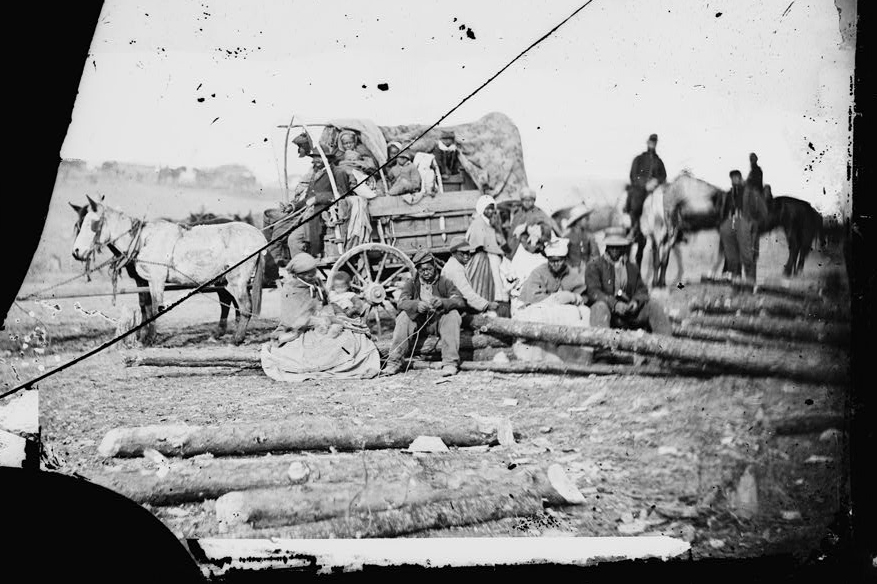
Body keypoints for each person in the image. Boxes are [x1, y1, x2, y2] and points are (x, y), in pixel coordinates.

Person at [260, 253, 381, 381]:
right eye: (308, 274)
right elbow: (294, 319)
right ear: (298, 274)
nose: (312, 276)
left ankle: (359, 360)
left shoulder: (316, 283)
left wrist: (331, 316)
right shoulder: (291, 289)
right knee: (319, 348)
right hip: (302, 330)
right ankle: (332, 364)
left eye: (314, 272)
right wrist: (318, 321)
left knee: (354, 336)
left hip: (324, 321)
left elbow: (326, 303)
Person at [382, 250, 466, 377]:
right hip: (419, 324)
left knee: (453, 315)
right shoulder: (411, 283)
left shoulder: (444, 282)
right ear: (417, 270)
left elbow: (460, 301)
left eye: (429, 269)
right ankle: (394, 362)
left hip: (438, 322)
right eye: (422, 270)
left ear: (434, 267)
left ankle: (450, 363)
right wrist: (416, 305)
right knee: (403, 317)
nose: (426, 273)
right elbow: (401, 302)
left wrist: (443, 302)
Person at [585, 227, 671, 334]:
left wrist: (635, 302)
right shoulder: (595, 266)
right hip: (609, 314)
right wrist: (614, 304)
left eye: (618, 247)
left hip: (628, 314)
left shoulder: (632, 267)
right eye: (612, 247)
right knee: (599, 307)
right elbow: (594, 292)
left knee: (653, 305)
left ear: (623, 247)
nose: (615, 250)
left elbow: (642, 291)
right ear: (607, 247)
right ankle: (602, 348)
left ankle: (664, 344)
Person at [303, 148, 355, 258]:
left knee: (315, 217)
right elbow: (308, 198)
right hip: (310, 213)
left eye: (318, 157)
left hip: (327, 211)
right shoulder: (315, 174)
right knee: (293, 238)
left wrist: (318, 198)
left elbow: (342, 195)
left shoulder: (338, 173)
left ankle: (315, 254)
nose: (313, 161)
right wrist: (292, 206)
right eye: (313, 158)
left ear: (327, 159)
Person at [718, 169, 768, 282]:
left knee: (747, 257)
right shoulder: (728, 195)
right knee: (732, 258)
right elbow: (723, 213)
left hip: (745, 226)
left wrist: (753, 223)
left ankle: (750, 285)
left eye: (736, 177)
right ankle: (736, 285)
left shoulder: (751, 193)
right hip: (731, 225)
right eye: (732, 178)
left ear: (741, 178)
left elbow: (763, 212)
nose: (734, 180)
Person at [627, 133, 667, 265]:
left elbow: (663, 176)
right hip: (640, 189)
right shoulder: (639, 159)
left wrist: (657, 181)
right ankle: (634, 227)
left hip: (654, 190)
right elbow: (633, 176)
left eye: (654, 143)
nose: (652, 144)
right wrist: (645, 184)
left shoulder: (659, 161)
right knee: (637, 203)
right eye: (651, 142)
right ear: (647, 143)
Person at [465, 195, 508, 307]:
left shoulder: (491, 222)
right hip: (481, 256)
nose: (490, 211)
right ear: (481, 209)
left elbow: (497, 240)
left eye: (492, 208)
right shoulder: (478, 223)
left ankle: (498, 299)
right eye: (487, 208)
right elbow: (479, 243)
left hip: (491, 254)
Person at [440, 236, 500, 314]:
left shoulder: (455, 265)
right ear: (454, 253)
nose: (466, 256)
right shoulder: (455, 268)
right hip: (452, 310)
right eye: (462, 253)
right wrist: (487, 305)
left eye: (467, 252)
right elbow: (466, 293)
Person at [506, 187, 560, 257]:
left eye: (530, 200)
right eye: (525, 200)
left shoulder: (539, 213)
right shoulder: (518, 215)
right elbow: (511, 233)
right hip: (516, 250)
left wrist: (527, 229)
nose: (527, 203)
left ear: (534, 200)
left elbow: (547, 230)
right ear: (521, 201)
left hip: (533, 250)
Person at [564, 203, 601, 271]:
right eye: (586, 219)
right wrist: (571, 268)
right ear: (578, 221)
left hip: (588, 271)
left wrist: (588, 266)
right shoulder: (566, 238)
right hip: (571, 273)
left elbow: (595, 255)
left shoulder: (589, 236)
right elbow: (563, 257)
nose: (588, 222)